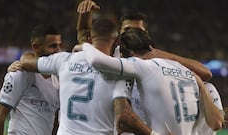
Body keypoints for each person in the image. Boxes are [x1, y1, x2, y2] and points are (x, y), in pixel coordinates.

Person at [75, 0, 213, 121]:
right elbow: (85, 37)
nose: (132, 33)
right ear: (119, 34)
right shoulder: (112, 54)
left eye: (137, 30)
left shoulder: (157, 59)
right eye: (127, 29)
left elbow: (205, 73)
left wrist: (164, 55)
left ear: (145, 33)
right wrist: (85, 14)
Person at [19, 18, 157, 135]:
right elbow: (124, 115)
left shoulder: (64, 60)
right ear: (116, 42)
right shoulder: (121, 70)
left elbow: (26, 63)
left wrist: (25, 57)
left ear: (91, 39)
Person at [80, 28, 224, 135]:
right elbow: (216, 123)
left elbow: (97, 60)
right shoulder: (184, 70)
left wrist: (84, 45)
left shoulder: (143, 66)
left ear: (127, 55)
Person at [0, 24, 61, 135]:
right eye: (53, 46)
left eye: (59, 45)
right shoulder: (19, 73)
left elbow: (55, 121)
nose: (58, 51)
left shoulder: (57, 78)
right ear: (36, 47)